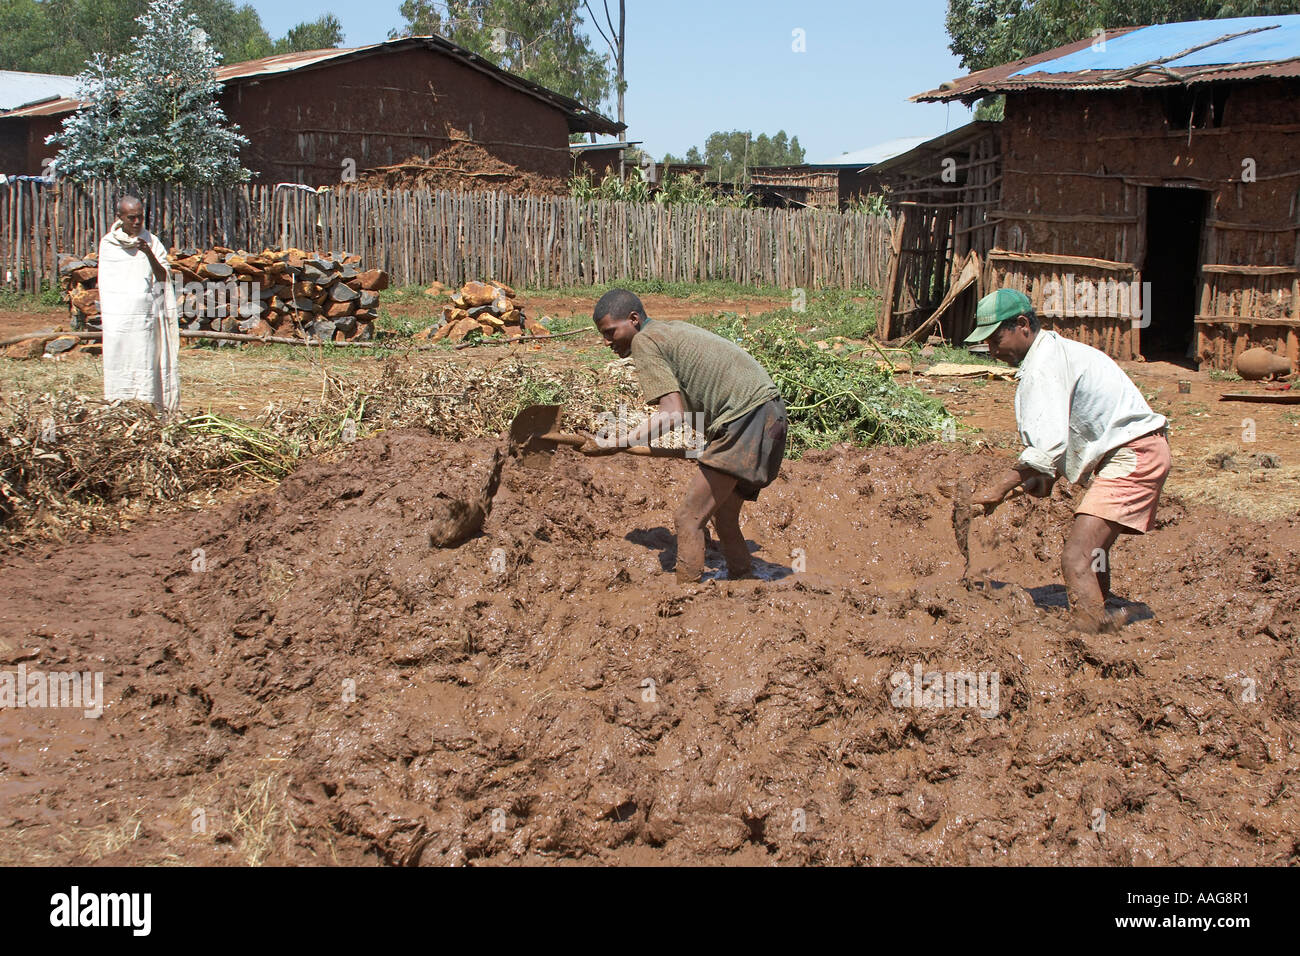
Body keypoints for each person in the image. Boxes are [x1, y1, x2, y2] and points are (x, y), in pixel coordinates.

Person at [966, 289, 1169, 629]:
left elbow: (1046, 449)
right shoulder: (1054, 353)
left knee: (1076, 557)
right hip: (1138, 451)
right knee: (1092, 552)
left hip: (1132, 456)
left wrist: (996, 489)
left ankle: (1090, 639)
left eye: (995, 339)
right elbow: (1059, 446)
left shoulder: (1042, 366)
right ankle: (1107, 612)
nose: (992, 350)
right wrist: (1037, 479)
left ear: (1021, 325)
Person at [584, 289, 788, 584]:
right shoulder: (670, 332)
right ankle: (745, 583)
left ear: (633, 319)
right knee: (723, 517)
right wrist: (709, 447)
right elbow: (703, 400)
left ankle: (685, 600)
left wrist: (620, 442)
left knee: (688, 518)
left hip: (746, 418)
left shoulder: (645, 341)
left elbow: (672, 413)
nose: (607, 342)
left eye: (610, 332)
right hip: (770, 415)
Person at [97, 196, 180, 414]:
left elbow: (164, 277)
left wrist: (148, 253)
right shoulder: (108, 244)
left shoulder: (152, 242)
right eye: (131, 217)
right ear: (120, 217)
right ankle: (119, 411)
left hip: (145, 319)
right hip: (118, 320)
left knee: (145, 362)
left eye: (140, 217)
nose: (136, 222)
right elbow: (108, 284)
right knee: (119, 363)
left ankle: (147, 411)